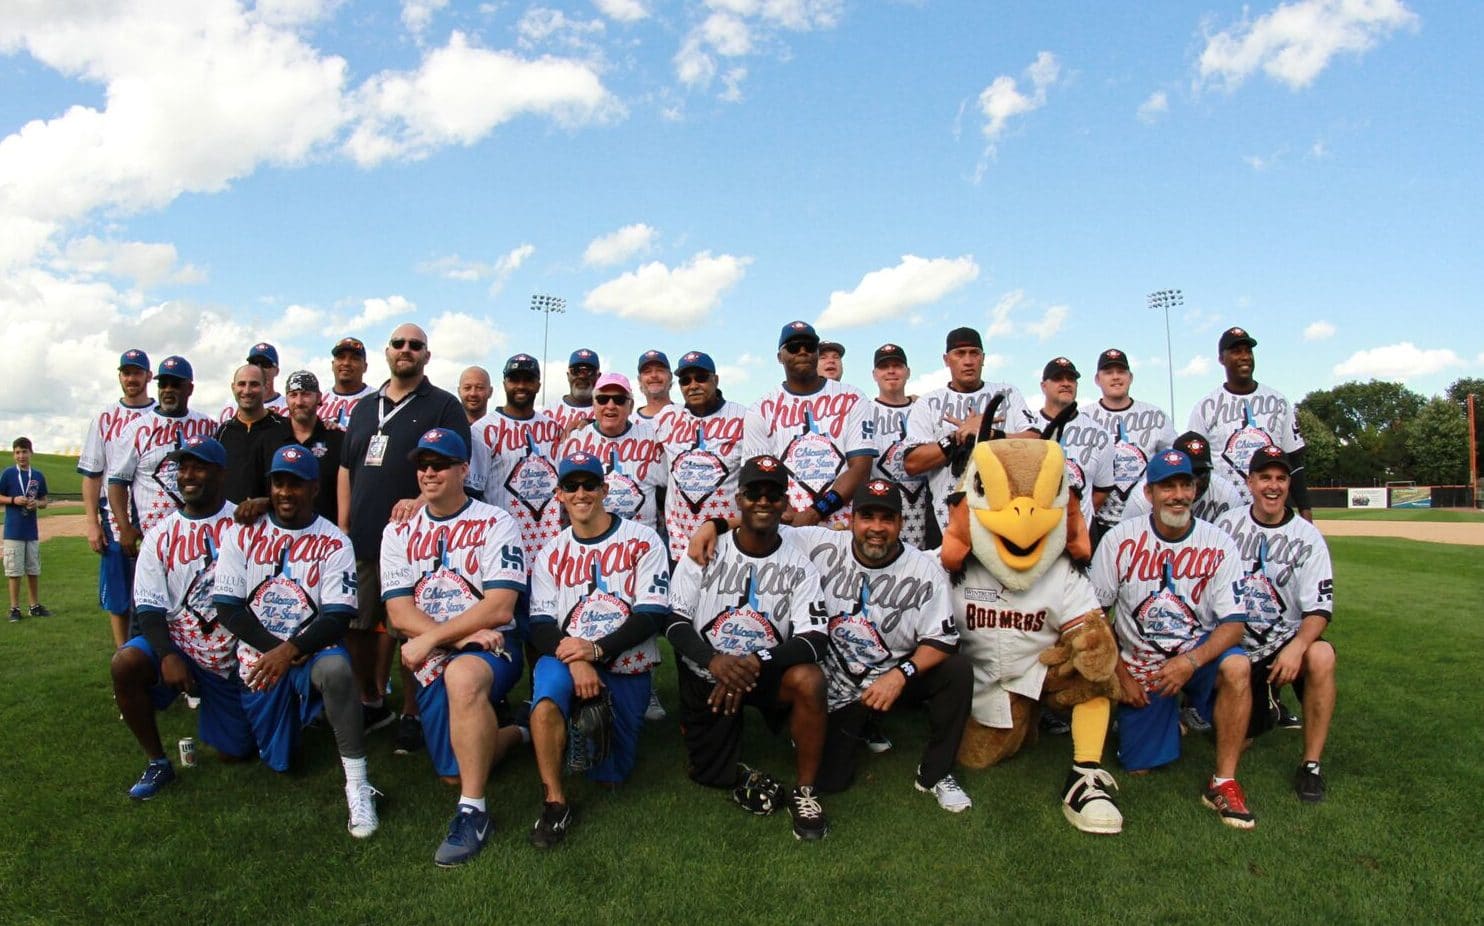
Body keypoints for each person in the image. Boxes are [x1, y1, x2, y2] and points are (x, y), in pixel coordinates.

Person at [691, 479, 972, 811]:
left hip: (890, 675)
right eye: (867, 517)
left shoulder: (924, 569)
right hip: (835, 685)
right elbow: (763, 521)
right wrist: (714, 524)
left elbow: (943, 640)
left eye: (887, 519)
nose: (876, 528)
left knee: (957, 670)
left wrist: (900, 676)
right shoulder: (819, 544)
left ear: (900, 522)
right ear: (852, 519)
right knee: (830, 781)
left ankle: (936, 772)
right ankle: (852, 723)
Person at [213, 444, 381, 838]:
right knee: (279, 760)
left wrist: (291, 651)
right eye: (279, 483)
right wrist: (277, 651)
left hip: (311, 653)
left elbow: (339, 616)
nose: (286, 492)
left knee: (338, 671)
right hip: (260, 658)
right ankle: (307, 715)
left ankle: (357, 784)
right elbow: (228, 607)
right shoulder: (244, 532)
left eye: (296, 484)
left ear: (314, 488)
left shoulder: (335, 541)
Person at [664, 455, 833, 841]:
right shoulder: (706, 548)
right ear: (738, 499)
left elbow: (815, 637)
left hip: (761, 674)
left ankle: (806, 791)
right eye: (754, 492)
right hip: (708, 674)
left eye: (773, 494)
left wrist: (755, 662)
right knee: (709, 774)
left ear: (785, 503)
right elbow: (673, 621)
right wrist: (714, 660)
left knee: (809, 679)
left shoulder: (799, 563)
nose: (763, 501)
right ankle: (738, 766)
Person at [380, 428, 528, 866]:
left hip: (492, 647)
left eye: (441, 463)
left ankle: (474, 812)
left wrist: (431, 640)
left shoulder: (495, 521)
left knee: (462, 676)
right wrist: (454, 636)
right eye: (423, 464)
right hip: (446, 646)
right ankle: (520, 729)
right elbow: (399, 613)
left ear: (464, 469)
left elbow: (500, 607)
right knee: (450, 770)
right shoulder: (399, 530)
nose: (429, 472)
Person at [1089, 449, 1256, 829]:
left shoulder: (1219, 542)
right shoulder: (1119, 539)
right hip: (1142, 663)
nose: (1178, 494)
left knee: (1237, 665)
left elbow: (1233, 623)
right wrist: (1121, 674)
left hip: (1198, 656)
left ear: (1195, 489)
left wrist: (1191, 662)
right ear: (1149, 493)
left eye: (1186, 485)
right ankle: (1174, 722)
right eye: (1168, 486)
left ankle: (1224, 781)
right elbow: (1095, 615)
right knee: (1139, 767)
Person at [524, 452, 670, 848]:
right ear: (559, 494)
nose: (581, 493)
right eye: (571, 486)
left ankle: (578, 727)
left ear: (605, 490)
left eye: (590, 485)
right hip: (567, 657)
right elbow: (539, 624)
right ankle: (554, 801)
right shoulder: (551, 551)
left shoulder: (643, 540)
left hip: (625, 660)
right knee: (546, 700)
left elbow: (652, 613)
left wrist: (595, 651)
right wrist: (576, 660)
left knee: (610, 775)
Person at [339, 323, 471, 752]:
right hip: (360, 537)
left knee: (410, 629)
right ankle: (371, 699)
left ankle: (413, 712)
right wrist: (343, 522)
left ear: (426, 356)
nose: (406, 350)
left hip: (416, 539)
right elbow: (346, 467)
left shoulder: (443, 405)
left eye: (416, 345)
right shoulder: (363, 407)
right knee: (357, 624)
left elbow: (456, 462)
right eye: (399, 343)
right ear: (387, 351)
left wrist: (419, 500)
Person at [110, 437, 255, 799]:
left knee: (233, 753)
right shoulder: (160, 534)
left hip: (229, 655)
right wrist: (168, 655)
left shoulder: (245, 523)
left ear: (221, 473)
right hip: (179, 643)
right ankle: (158, 762)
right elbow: (148, 606)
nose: (188, 475)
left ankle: (222, 712)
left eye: (199, 466)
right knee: (126, 662)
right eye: (183, 467)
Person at [1214, 446, 1337, 803]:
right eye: (1265, 477)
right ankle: (1263, 710)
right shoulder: (1227, 526)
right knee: (1243, 737)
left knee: (1322, 655)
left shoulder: (1308, 536)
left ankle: (1311, 765)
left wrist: (1297, 648)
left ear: (1288, 485)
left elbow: (1319, 609)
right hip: (1238, 645)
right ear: (1250, 482)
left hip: (1285, 643)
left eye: (1281, 478)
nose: (1273, 486)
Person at [742, 321, 875, 529]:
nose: (802, 351)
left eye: (810, 346)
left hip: (843, 527)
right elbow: (756, 475)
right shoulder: (760, 409)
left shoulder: (853, 397)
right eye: (794, 347)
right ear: (780, 357)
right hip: (786, 526)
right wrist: (786, 512)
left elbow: (861, 468)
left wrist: (815, 513)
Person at [904, 327, 1032, 536]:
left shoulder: (1008, 393)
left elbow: (1036, 440)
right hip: (947, 518)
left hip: (1004, 519)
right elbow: (912, 463)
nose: (968, 360)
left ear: (983, 358)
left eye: (974, 353)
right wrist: (957, 437)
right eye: (960, 354)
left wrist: (990, 434)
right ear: (946, 360)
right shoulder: (929, 402)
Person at [1188, 327, 1311, 519]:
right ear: (1221, 359)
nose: (1245, 356)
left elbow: (1294, 460)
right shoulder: (1205, 407)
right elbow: (1194, 467)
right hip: (1224, 513)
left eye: (1248, 351)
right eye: (1236, 351)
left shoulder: (1278, 401)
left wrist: (1305, 510)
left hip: (1274, 510)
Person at [77, 349, 156, 645]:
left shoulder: (160, 414)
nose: (131, 378)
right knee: (120, 599)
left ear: (148, 376)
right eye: (126, 373)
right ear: (120, 376)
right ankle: (124, 659)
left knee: (160, 596)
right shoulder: (105, 417)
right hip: (114, 522)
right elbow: (92, 473)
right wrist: (91, 522)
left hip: (154, 521)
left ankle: (161, 663)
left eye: (137, 372)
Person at [107, 356, 219, 556]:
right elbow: (117, 482)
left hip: (201, 534)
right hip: (152, 535)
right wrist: (124, 528)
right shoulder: (137, 429)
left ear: (189, 389)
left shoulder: (208, 426)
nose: (168, 390)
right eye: (163, 384)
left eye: (175, 385)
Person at [473, 354, 565, 571]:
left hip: (549, 545)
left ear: (538, 384)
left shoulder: (554, 429)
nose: (521, 385)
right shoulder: (481, 430)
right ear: (504, 383)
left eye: (528, 379)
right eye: (515, 379)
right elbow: (472, 494)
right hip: (502, 544)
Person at [655, 351, 747, 564]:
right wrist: (587, 422)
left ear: (715, 379)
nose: (693, 385)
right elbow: (630, 432)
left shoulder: (742, 417)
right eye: (685, 380)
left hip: (728, 539)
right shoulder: (667, 418)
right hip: (680, 546)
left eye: (701, 378)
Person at [1080, 348, 1175, 537]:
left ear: (1130, 377)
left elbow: (1172, 463)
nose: (1115, 377)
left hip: (1146, 520)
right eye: (1108, 372)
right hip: (1097, 522)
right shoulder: (1083, 418)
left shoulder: (1155, 416)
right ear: (1097, 379)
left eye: (1121, 371)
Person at [557, 373, 666, 532]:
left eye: (619, 400)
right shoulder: (574, 441)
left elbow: (673, 488)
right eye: (602, 399)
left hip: (641, 542)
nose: (610, 405)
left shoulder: (652, 438)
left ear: (631, 405)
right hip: (591, 543)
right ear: (594, 405)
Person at [1034, 357, 1112, 539]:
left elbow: (1102, 490)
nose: (1066, 383)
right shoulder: (1027, 428)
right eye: (1058, 379)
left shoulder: (1099, 434)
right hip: (1036, 534)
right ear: (1043, 386)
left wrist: (1075, 516)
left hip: (1079, 537)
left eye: (1071, 379)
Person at [864, 344, 931, 548]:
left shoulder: (925, 409)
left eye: (897, 366)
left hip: (925, 511)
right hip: (884, 511)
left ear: (908, 372)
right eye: (884, 367)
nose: (891, 371)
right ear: (874, 374)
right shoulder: (864, 411)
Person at [1120, 431, 1244, 526]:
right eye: (1189, 475)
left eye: (1202, 473)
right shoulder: (1142, 498)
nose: (1196, 482)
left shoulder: (1227, 493)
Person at [215, 363, 294, 505]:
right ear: (233, 388)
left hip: (274, 521)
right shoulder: (223, 432)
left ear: (265, 387)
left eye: (254, 384)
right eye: (241, 384)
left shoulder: (285, 428)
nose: (247, 390)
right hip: (230, 522)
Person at [3, 437, 50, 621]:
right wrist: (14, 500)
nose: (21, 456)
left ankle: (34, 606)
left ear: (31, 453)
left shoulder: (37, 476)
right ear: (14, 454)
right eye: (17, 452)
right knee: (14, 571)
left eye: (24, 451)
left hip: (31, 531)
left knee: (33, 570)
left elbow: (45, 501)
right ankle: (14, 608)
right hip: (13, 531)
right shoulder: (8, 474)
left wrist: (36, 503)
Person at [217, 342, 288, 423]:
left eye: (265, 364)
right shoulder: (229, 410)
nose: (259, 368)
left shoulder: (288, 408)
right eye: (254, 363)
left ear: (277, 371)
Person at [319, 337, 376, 429]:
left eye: (354, 358)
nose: (346, 363)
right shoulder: (319, 401)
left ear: (365, 367)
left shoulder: (377, 400)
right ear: (333, 365)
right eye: (341, 357)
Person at [455, 366, 494, 500]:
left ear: (490, 391)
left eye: (479, 387)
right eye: (467, 388)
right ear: (459, 391)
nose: (473, 393)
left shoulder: (499, 431)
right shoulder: (449, 430)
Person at [547, 348, 600, 437]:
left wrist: (592, 422)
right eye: (576, 371)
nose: (582, 376)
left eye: (589, 371)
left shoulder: (610, 412)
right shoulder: (548, 411)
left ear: (598, 377)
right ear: (568, 376)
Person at [634, 349, 677, 424]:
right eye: (647, 372)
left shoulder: (688, 417)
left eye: (660, 370)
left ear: (670, 377)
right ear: (639, 380)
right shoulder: (629, 423)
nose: (654, 375)